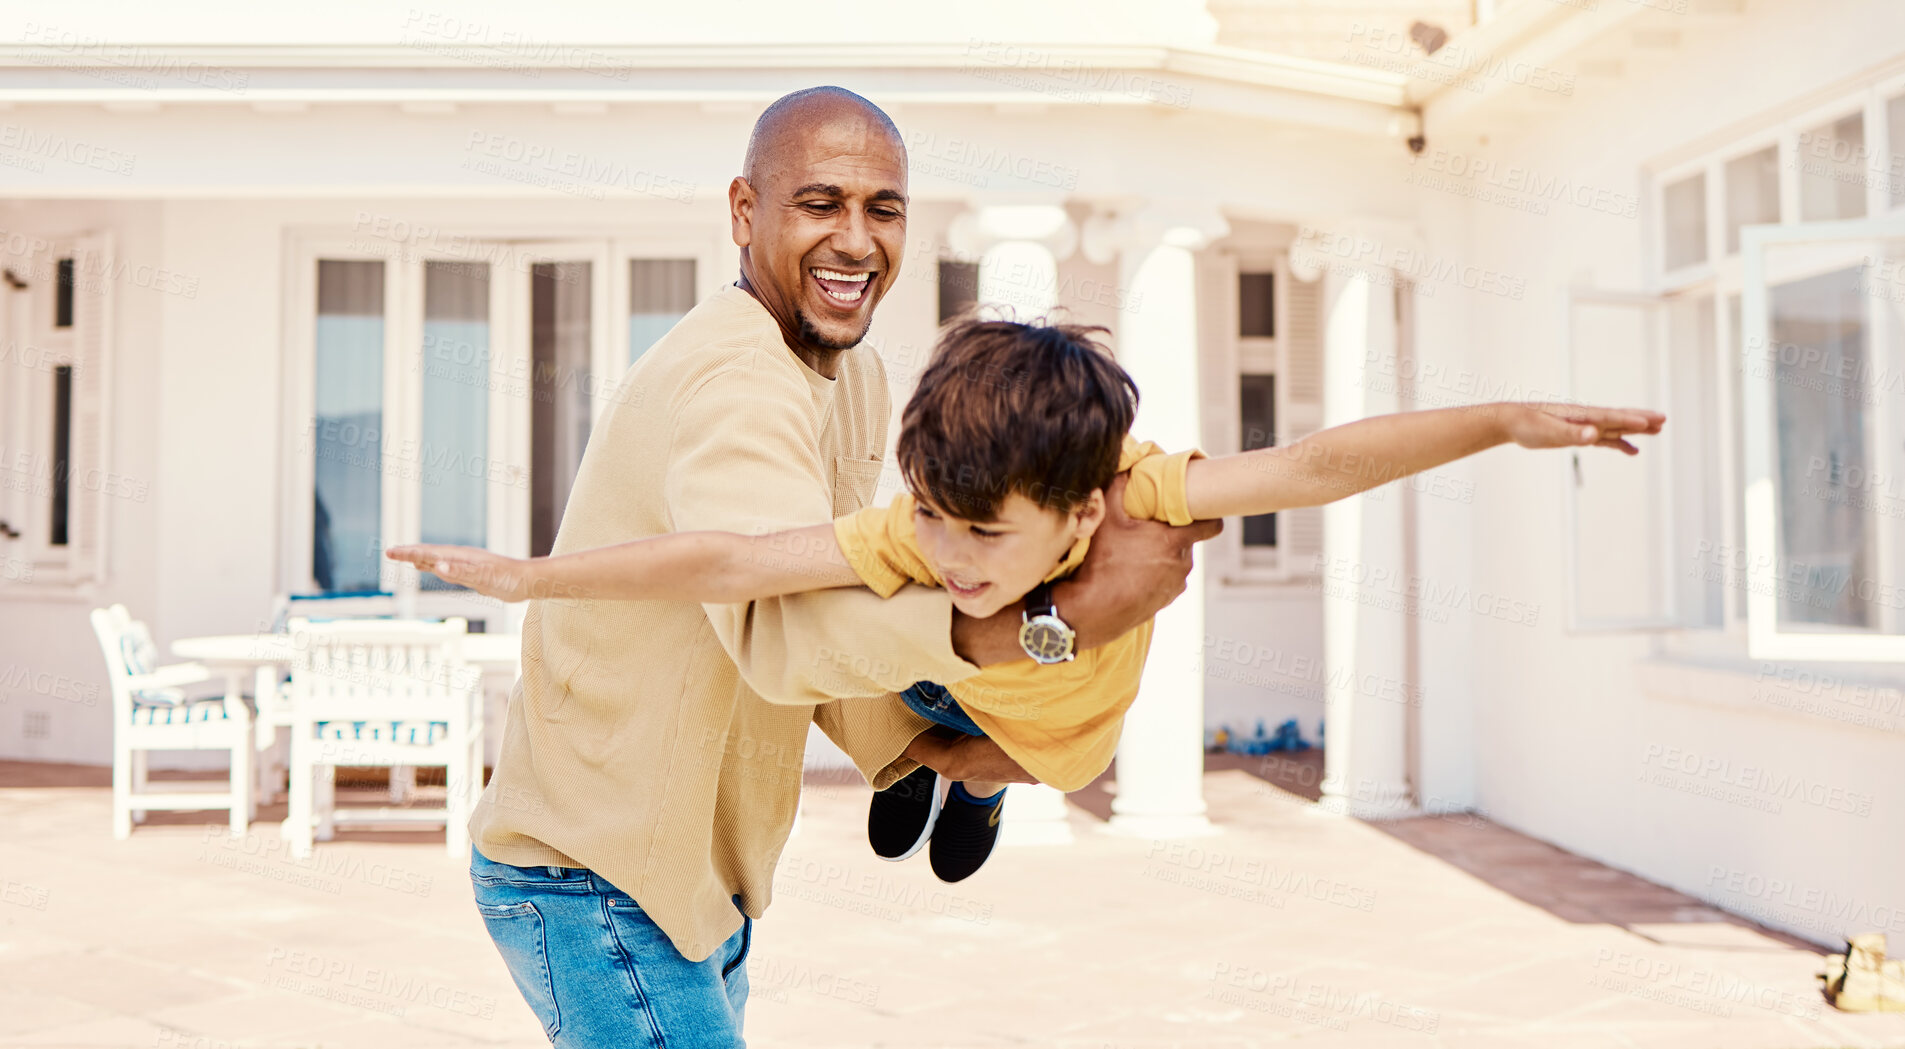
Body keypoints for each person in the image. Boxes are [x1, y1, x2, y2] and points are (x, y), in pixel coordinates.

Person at [450, 85, 1219, 1049]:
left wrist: (912, 748)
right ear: (744, 212)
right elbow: (786, 630)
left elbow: (850, 572)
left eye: (881, 209)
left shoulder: (849, 370)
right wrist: (1046, 626)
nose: (856, 240)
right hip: (597, 874)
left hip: (695, 873)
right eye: (820, 204)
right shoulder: (738, 382)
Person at [392, 317, 1665, 885]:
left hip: (1047, 725)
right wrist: (532, 575)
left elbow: (1323, 463)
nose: (946, 549)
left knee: (992, 755)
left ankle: (967, 782)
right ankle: (907, 765)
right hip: (935, 671)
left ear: (1078, 509)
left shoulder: (1146, 494)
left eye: (984, 532)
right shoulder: (920, 528)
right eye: (931, 514)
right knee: (832, 654)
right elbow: (723, 558)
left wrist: (1502, 420)